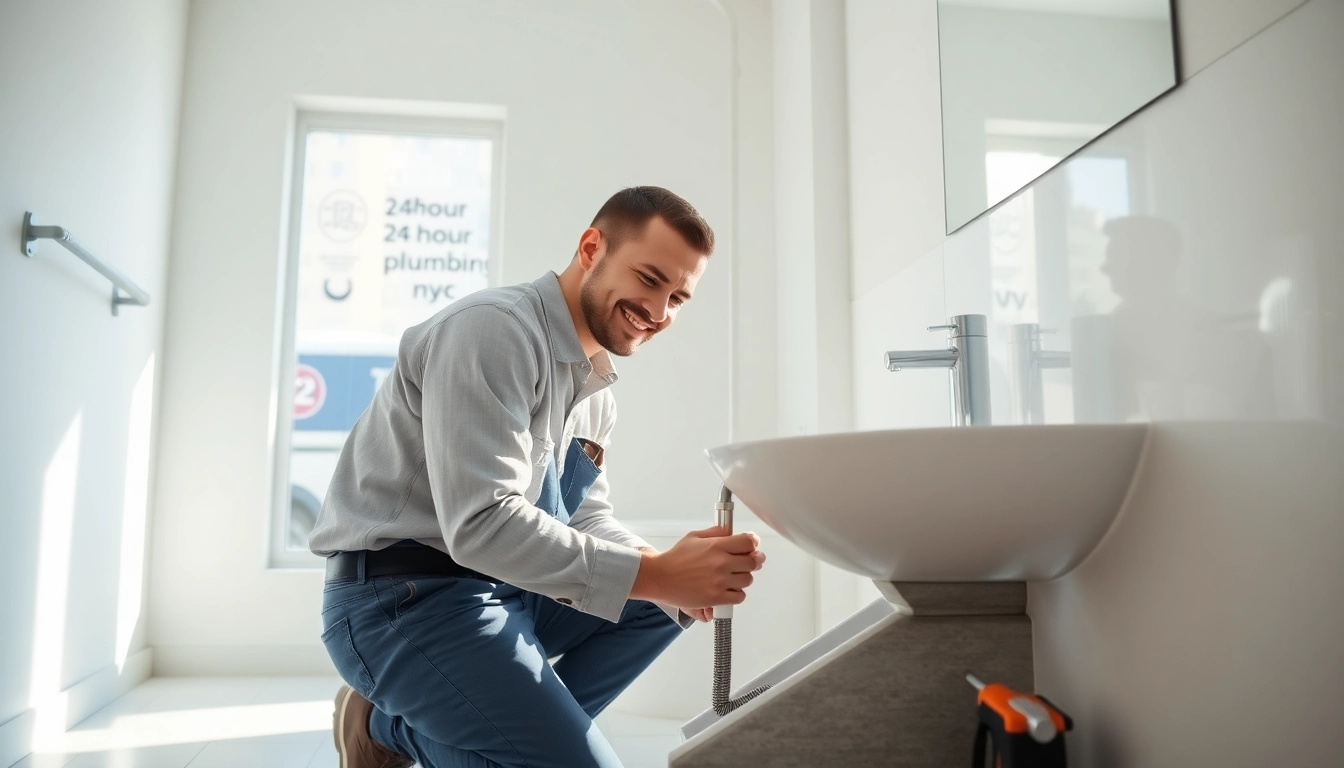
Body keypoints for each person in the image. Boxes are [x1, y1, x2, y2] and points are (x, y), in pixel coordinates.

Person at [309, 186, 767, 768]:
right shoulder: (492, 331)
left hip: (504, 591)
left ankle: (504, 736)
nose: (659, 311)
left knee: (660, 604)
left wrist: (670, 574)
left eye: (678, 297)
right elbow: (480, 524)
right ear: (591, 247)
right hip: (401, 599)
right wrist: (654, 571)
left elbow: (584, 514)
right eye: (649, 279)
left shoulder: (595, 391)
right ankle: (388, 727)